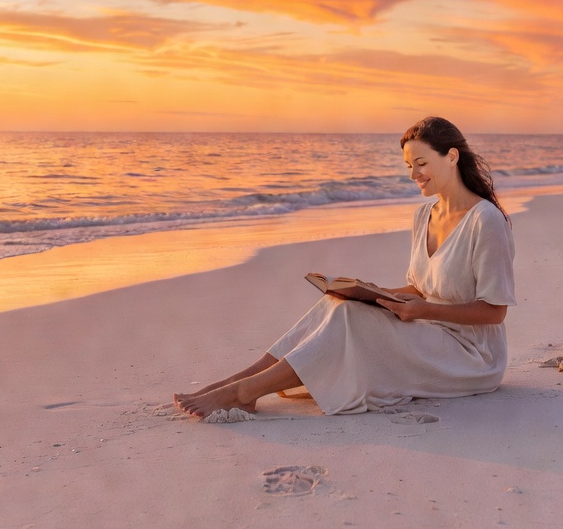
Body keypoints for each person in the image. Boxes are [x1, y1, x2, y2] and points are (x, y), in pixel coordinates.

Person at [173, 116, 515, 418]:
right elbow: (419, 289)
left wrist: (423, 309)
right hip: (428, 333)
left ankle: (243, 393)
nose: (414, 175)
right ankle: (240, 380)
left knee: (350, 319)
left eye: (421, 163)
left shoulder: (486, 221)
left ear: (451, 157)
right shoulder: (424, 215)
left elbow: (494, 311)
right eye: (409, 166)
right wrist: (370, 293)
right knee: (339, 303)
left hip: (471, 357)